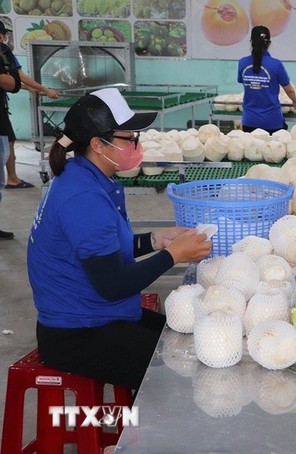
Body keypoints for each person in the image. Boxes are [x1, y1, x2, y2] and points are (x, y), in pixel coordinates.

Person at [27, 88, 212, 390]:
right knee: (188, 367)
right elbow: (113, 285)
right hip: (78, 333)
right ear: (98, 144)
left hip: (96, 313)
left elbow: (101, 253)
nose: (136, 144)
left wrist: (155, 240)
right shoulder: (83, 197)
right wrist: (173, 255)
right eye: (130, 138)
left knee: (187, 336)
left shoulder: (85, 176)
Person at [0, 21, 60, 189]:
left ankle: (12, 177)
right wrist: (45, 89)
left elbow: (10, 81)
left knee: (9, 141)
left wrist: (29, 88)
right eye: (4, 34)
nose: (4, 38)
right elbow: (20, 76)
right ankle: (12, 179)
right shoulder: (3, 50)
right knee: (7, 143)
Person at [237, 25, 296, 134]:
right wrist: (295, 101)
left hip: (249, 122)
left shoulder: (242, 63)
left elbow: (243, 81)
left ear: (251, 41)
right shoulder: (276, 64)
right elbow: (289, 90)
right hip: (272, 122)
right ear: (269, 43)